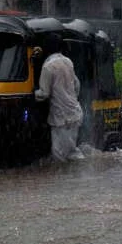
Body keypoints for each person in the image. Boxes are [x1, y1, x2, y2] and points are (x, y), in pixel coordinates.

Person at [35, 33, 85, 162]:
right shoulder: (68, 61)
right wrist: (71, 99)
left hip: (60, 117)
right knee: (72, 150)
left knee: (59, 154)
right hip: (75, 112)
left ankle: (80, 171)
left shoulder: (48, 67)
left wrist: (32, 94)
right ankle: (84, 170)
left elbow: (44, 93)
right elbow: (77, 84)